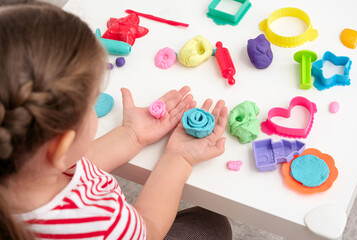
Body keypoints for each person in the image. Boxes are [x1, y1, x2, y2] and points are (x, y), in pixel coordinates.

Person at [0, 1, 231, 239]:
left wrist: (132, 135)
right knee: (213, 225)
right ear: (60, 146)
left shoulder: (21, 169)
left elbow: (71, 164)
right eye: (92, 103)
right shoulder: (101, 224)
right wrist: (179, 157)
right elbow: (149, 227)